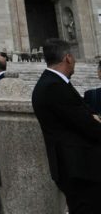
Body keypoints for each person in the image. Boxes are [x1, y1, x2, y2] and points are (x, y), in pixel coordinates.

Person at [32, 39, 101, 212]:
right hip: (79, 169)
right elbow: (88, 126)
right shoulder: (54, 86)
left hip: (77, 167)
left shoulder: (52, 83)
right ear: (68, 58)